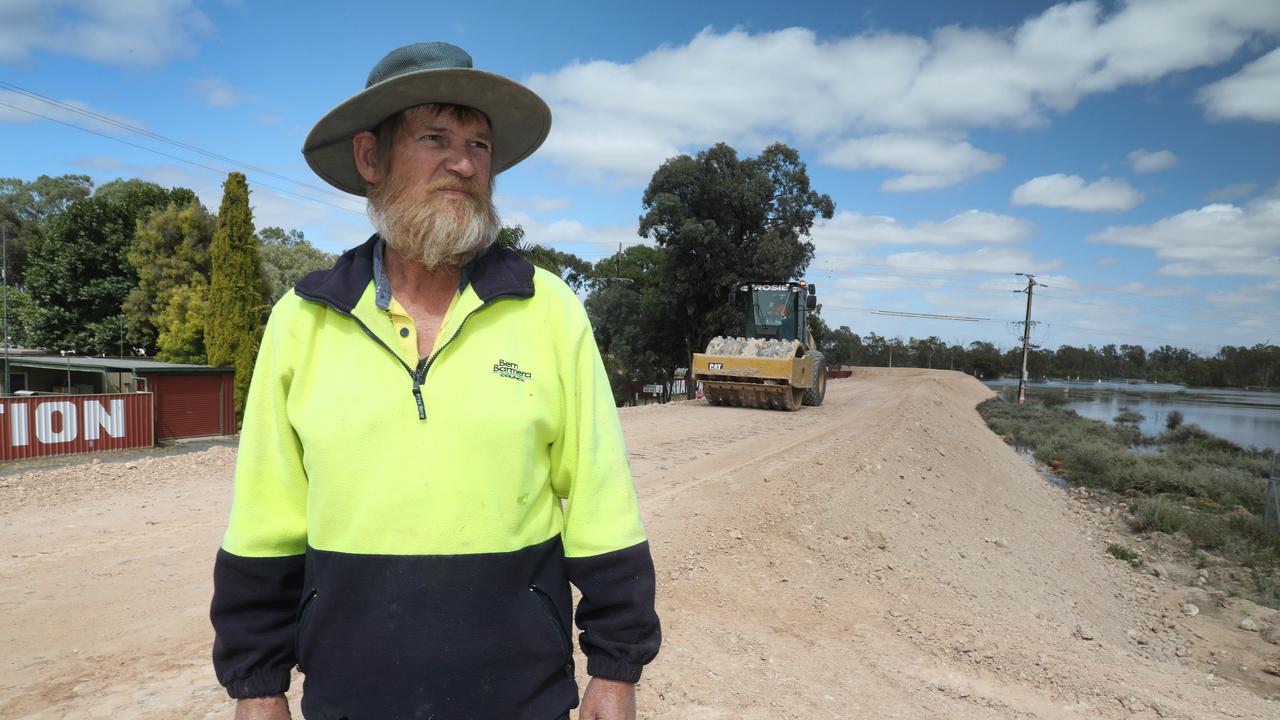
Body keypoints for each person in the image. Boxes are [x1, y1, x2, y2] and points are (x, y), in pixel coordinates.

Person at [210, 42, 661, 720]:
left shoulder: (548, 309)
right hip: (350, 696)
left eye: (479, 144)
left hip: (521, 697)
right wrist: (257, 685)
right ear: (370, 158)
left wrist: (616, 668)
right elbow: (263, 524)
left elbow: (601, 501)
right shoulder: (302, 321)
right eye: (436, 138)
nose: (465, 163)